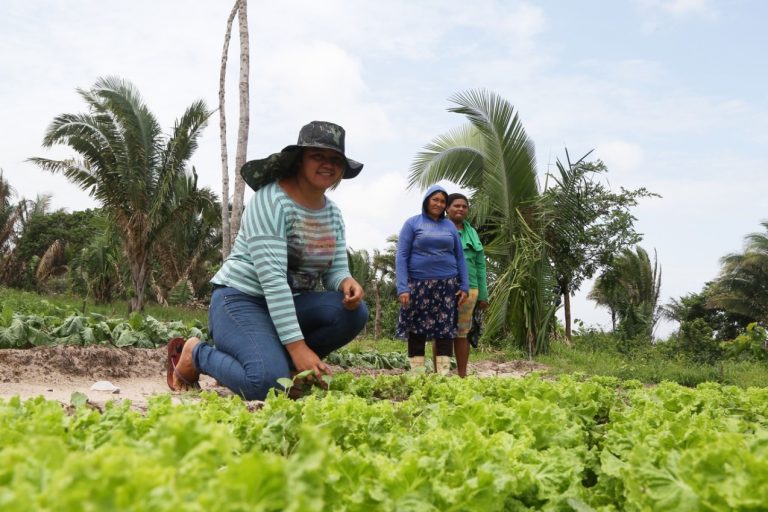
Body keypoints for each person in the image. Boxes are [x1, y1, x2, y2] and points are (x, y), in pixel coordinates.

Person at [167, 121, 368, 400]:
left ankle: (286, 370)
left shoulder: (332, 213)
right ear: (299, 161)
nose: (328, 164)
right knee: (265, 385)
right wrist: (298, 348)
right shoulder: (271, 200)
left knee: (353, 312)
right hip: (240, 301)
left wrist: (345, 281)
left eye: (336, 160)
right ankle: (196, 353)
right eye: (317, 156)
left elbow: (334, 269)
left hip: (289, 305)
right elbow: (273, 281)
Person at [395, 184, 469, 375]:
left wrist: (464, 286)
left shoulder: (449, 226)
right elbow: (401, 256)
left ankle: (442, 376)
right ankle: (417, 375)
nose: (439, 204)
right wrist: (403, 288)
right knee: (416, 330)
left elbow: (460, 257)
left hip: (447, 286)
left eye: (443, 201)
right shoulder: (412, 223)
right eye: (435, 199)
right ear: (426, 201)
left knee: (445, 331)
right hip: (418, 285)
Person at [444, 193, 488, 378]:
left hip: (470, 288)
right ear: (447, 208)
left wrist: (483, 295)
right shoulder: (439, 228)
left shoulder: (472, 233)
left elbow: (480, 264)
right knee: (442, 333)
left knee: (462, 333)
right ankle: (441, 375)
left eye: (464, 206)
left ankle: (462, 376)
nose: (460, 209)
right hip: (443, 287)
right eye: (456, 205)